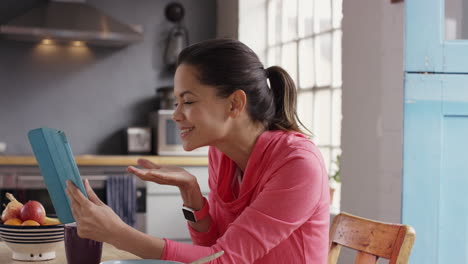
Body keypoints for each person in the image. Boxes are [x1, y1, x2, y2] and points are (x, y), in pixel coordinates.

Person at [66, 39, 330, 263]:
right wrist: (191, 193)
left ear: (235, 104)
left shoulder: (298, 164)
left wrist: (119, 235)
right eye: (177, 102)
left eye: (188, 101)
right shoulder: (221, 154)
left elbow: (221, 260)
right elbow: (211, 249)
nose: (176, 115)